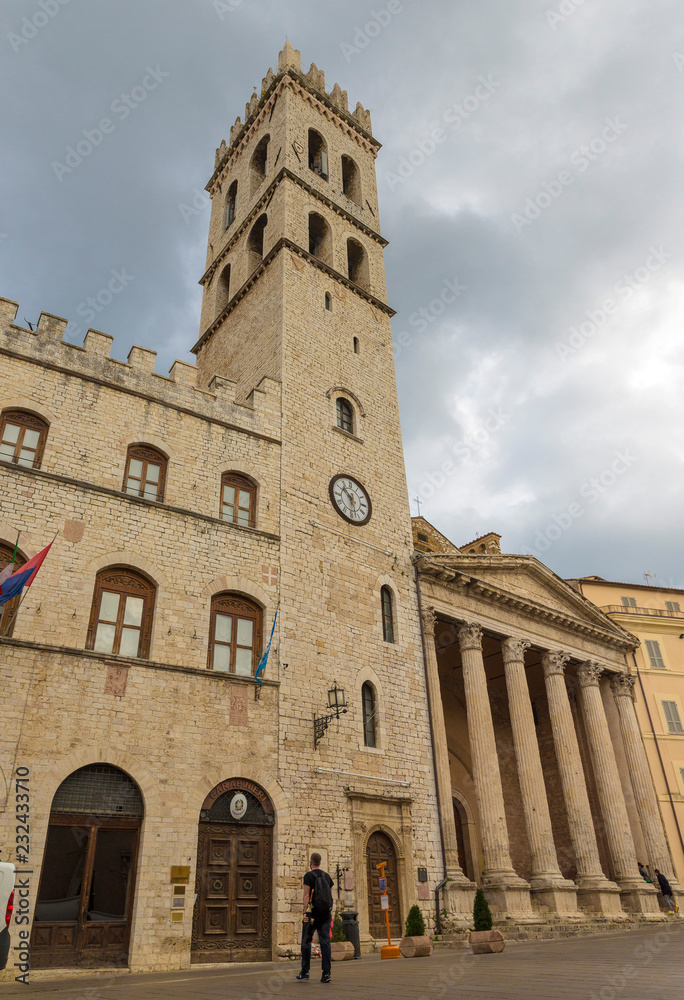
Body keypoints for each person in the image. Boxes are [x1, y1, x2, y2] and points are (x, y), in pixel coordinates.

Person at [297, 852, 334, 983]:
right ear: (320, 862)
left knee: (306, 941)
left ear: (311, 862)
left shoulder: (308, 876)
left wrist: (304, 913)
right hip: (325, 914)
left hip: (312, 914)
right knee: (325, 942)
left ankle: (305, 971)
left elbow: (306, 895)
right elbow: (330, 896)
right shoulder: (327, 876)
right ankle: (326, 974)